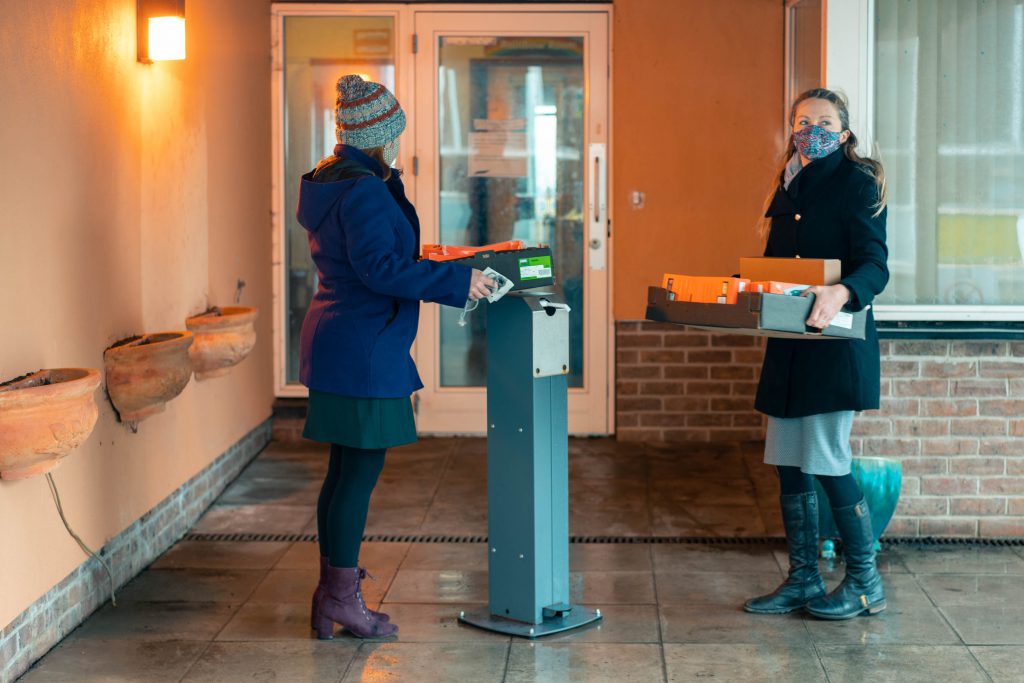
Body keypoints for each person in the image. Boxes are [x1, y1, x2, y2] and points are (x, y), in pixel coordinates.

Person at [297, 75, 495, 639]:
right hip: (362, 346)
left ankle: (332, 596)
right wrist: (458, 280)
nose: (401, 143)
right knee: (357, 472)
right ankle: (339, 597)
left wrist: (426, 259)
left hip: (344, 338)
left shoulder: (336, 180)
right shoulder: (361, 189)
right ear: (379, 134)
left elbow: (375, 257)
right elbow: (379, 270)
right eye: (396, 133)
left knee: (344, 472)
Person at [743, 88, 889, 620]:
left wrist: (842, 291)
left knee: (827, 459)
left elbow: (875, 263)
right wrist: (747, 287)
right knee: (788, 461)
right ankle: (803, 579)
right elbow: (777, 264)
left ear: (844, 132)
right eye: (802, 121)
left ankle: (865, 583)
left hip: (835, 343)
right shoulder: (788, 184)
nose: (812, 130)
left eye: (824, 121)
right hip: (790, 346)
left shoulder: (858, 183)